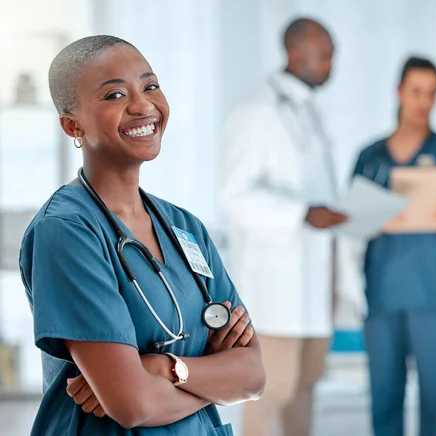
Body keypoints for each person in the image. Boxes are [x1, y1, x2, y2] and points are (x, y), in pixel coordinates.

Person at [19, 35, 265, 435]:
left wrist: (161, 367)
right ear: (72, 125)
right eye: (115, 94)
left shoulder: (184, 227)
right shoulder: (66, 232)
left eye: (150, 86)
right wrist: (212, 377)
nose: (142, 105)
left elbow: (253, 376)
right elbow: (133, 406)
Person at [219, 17, 347, 436]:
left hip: (315, 278)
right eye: (325, 54)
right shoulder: (257, 109)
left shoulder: (306, 108)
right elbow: (234, 195)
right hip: (278, 287)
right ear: (295, 53)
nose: (332, 63)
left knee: (306, 387)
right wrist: (302, 214)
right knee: (271, 390)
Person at [351, 57, 436, 436]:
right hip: (384, 291)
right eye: (417, 92)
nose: (424, 101)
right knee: (385, 396)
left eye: (432, 93)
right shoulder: (370, 157)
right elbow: (351, 224)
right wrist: (374, 220)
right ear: (400, 92)